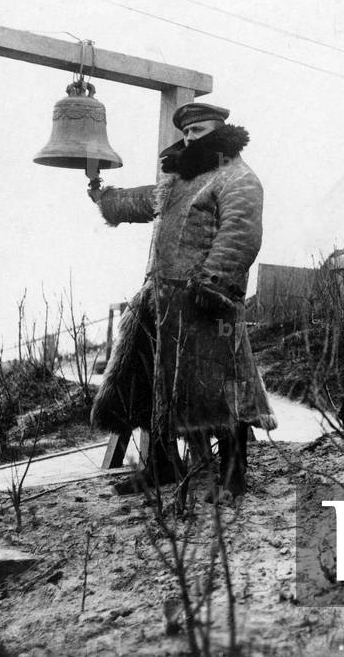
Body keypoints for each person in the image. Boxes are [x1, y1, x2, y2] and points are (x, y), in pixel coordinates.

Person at [87, 102, 275, 496]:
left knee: (221, 389)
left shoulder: (237, 178)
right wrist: (104, 197)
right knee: (152, 385)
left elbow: (239, 235)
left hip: (206, 304)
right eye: (186, 133)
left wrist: (211, 285)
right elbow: (145, 202)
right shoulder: (183, 179)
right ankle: (162, 466)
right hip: (162, 301)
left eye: (199, 130)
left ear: (220, 129)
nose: (190, 138)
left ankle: (232, 475)